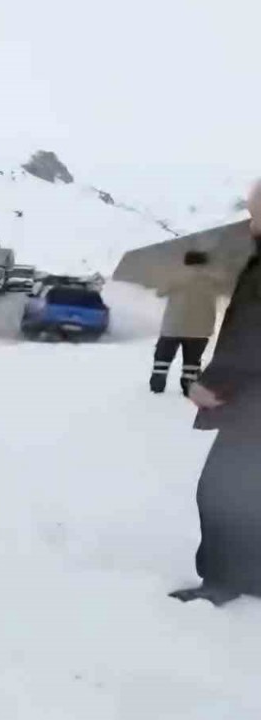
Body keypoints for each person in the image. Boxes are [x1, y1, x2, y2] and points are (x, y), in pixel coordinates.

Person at [172, 180, 261, 606]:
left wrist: (212, 383)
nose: (250, 222)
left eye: (255, 213)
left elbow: (252, 335)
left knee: (221, 491)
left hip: (253, 404)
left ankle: (223, 581)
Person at [150, 251, 218, 396]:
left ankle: (157, 384)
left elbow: (159, 292)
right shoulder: (213, 279)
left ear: (186, 261)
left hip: (173, 326)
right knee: (192, 361)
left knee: (162, 358)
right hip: (200, 328)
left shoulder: (176, 276)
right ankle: (188, 386)